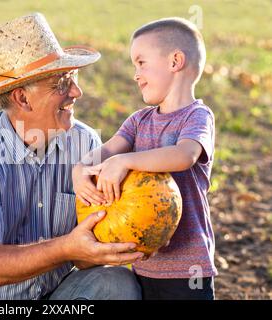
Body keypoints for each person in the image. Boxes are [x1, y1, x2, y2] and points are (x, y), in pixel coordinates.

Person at [0, 12, 143, 300]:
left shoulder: (85, 142)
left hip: (55, 296)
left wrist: (123, 235)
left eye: (72, 79)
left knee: (116, 283)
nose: (77, 91)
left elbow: (85, 253)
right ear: (22, 98)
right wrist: (66, 247)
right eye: (61, 83)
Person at [72, 17, 217, 300]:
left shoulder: (197, 116)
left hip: (188, 269)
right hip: (143, 262)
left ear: (175, 61)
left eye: (141, 62)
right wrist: (80, 169)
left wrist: (126, 161)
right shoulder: (138, 121)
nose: (135, 74)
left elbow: (184, 155)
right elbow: (107, 151)